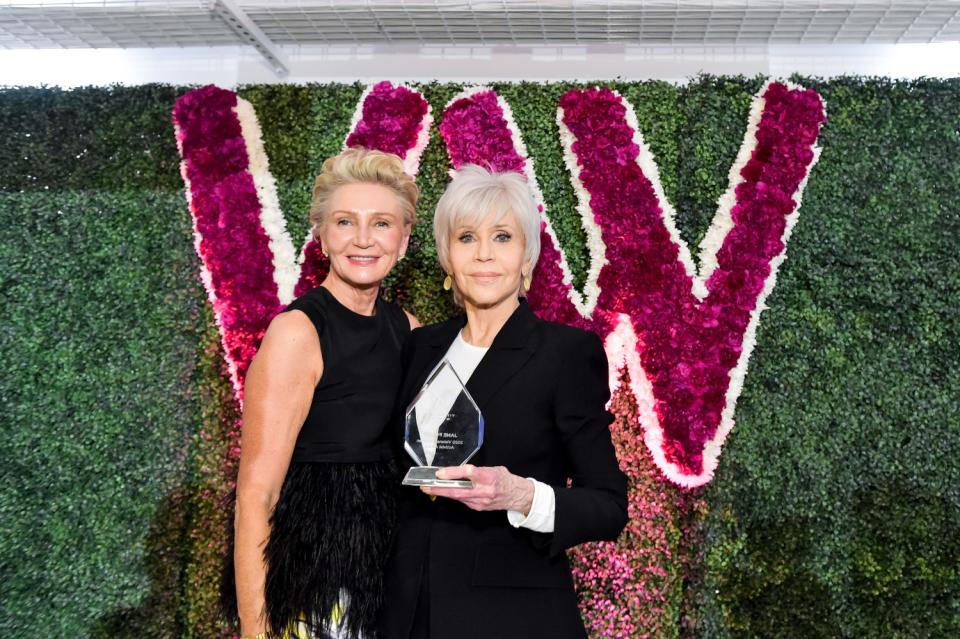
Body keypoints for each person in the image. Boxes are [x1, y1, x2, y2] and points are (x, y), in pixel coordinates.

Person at [378, 165, 628, 639]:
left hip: (510, 618)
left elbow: (609, 505)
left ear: (527, 258)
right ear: (448, 257)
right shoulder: (420, 347)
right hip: (406, 613)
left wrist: (519, 495)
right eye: (467, 238)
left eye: (503, 237)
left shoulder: (566, 354)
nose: (484, 255)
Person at [223, 148, 420, 639]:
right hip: (313, 586)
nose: (363, 239)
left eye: (381, 223)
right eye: (345, 222)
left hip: (389, 578)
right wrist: (255, 630)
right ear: (322, 236)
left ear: (404, 238)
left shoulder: (410, 331)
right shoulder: (297, 332)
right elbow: (257, 494)